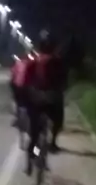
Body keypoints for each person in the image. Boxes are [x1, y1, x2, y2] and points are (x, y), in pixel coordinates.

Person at [24, 32, 65, 174]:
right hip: (52, 100)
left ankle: (31, 158)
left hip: (35, 100)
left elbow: (26, 81)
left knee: (34, 134)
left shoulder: (33, 61)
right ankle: (53, 143)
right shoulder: (58, 61)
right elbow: (63, 81)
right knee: (58, 120)